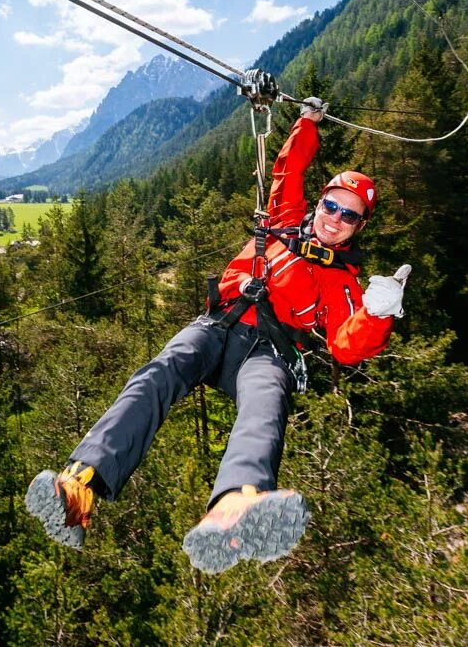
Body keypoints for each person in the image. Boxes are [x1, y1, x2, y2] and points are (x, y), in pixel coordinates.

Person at [25, 97, 410, 573]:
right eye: (331, 204)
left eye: (348, 215)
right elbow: (288, 170)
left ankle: (237, 504)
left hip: (269, 351)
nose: (334, 217)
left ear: (359, 226)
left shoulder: (344, 283)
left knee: (266, 404)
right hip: (220, 325)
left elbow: (346, 346)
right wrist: (308, 122)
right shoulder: (285, 220)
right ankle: (79, 489)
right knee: (159, 373)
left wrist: (376, 314)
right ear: (319, 202)